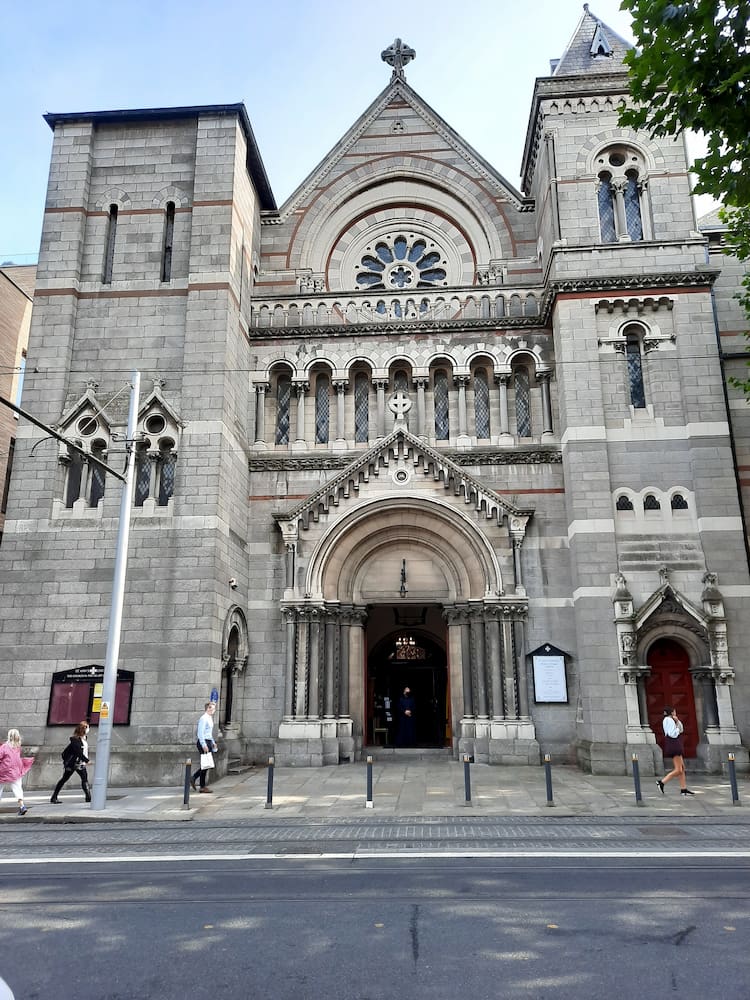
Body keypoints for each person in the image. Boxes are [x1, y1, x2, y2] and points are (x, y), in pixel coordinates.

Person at [656, 706, 694, 797]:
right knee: (678, 769)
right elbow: (672, 733)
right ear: (672, 712)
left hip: (675, 744)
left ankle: (683, 789)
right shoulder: (668, 720)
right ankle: (662, 782)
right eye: (674, 711)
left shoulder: (671, 720)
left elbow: (681, 729)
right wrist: (676, 727)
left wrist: (677, 722)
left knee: (682, 768)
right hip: (674, 744)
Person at [51, 721, 91, 803]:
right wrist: (87, 760)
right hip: (73, 763)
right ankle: (54, 797)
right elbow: (78, 752)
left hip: (80, 763)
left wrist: (84, 760)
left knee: (84, 779)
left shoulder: (84, 738)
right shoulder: (75, 740)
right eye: (87, 727)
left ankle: (88, 798)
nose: (88, 729)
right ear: (83, 729)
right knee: (64, 779)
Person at [0, 729, 34, 816]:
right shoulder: (17, 746)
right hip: (16, 772)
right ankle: (22, 806)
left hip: (4, 771)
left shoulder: (4, 746)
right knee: (18, 789)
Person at [191, 702, 217, 793]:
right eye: (213, 708)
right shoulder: (204, 718)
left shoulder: (209, 718)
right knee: (205, 764)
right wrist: (204, 744)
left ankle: (196, 780)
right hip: (204, 742)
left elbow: (209, 733)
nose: (214, 710)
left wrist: (213, 742)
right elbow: (200, 733)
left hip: (208, 741)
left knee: (207, 764)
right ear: (208, 708)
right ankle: (200, 784)